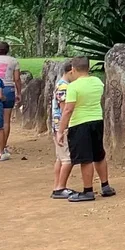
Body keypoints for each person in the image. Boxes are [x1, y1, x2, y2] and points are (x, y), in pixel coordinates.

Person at [53, 57, 113, 204]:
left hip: (79, 123)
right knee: (99, 154)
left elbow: (68, 110)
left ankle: (88, 190)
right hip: (97, 120)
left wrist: (61, 130)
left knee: (85, 158)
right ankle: (105, 186)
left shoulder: (73, 86)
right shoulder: (98, 82)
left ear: (73, 69)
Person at [48, 65, 74, 199]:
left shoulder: (61, 84)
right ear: (71, 71)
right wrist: (64, 128)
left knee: (60, 158)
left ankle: (57, 186)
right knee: (67, 159)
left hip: (57, 126)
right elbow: (65, 110)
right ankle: (60, 188)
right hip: (62, 127)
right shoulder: (64, 87)